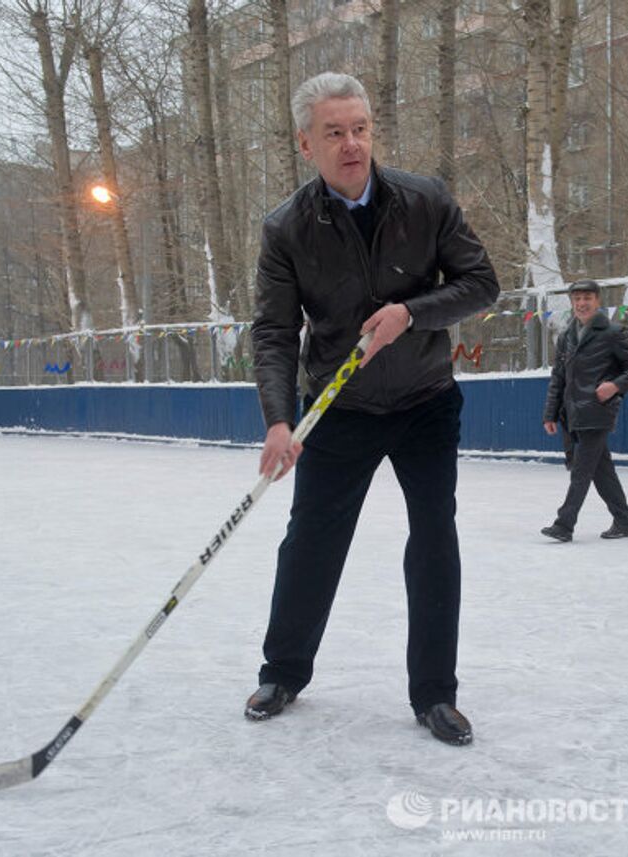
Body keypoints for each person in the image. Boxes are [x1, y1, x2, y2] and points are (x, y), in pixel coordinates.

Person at [246, 72, 500, 746]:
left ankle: (434, 694)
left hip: (424, 400)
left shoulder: (424, 200)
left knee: (434, 536)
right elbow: (273, 332)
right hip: (340, 407)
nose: (352, 143)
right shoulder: (286, 229)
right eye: (334, 132)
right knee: (312, 540)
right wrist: (278, 418)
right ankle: (284, 670)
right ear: (307, 144)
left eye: (359, 128)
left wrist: (412, 313)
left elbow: (482, 283)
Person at [541, 279, 628, 543]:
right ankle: (624, 521)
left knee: (581, 469)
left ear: (597, 301)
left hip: (597, 412)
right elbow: (558, 377)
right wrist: (550, 413)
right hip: (572, 413)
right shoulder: (567, 335)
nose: (581, 303)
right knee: (601, 470)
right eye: (577, 299)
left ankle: (564, 524)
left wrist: (614, 386)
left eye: (587, 298)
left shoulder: (613, 332)